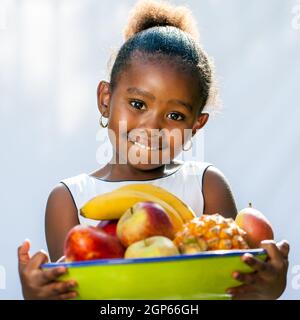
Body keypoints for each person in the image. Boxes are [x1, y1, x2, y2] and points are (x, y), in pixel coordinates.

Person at [18, 0, 289, 300]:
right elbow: (73, 294)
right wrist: (38, 295)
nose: (152, 127)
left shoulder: (206, 187)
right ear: (106, 100)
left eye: (175, 116)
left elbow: (227, 290)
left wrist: (263, 291)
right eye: (138, 104)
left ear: (196, 126)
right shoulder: (69, 199)